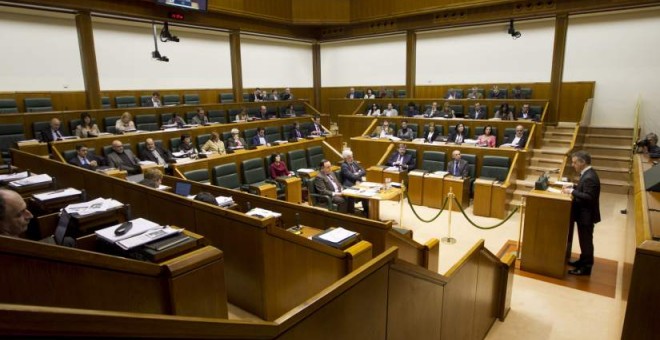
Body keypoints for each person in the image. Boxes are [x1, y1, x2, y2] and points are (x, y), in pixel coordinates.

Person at [562, 150, 601, 276]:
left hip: (587, 215)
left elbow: (589, 197)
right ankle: (582, 261)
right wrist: (573, 187)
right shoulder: (587, 174)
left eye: (574, 162)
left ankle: (586, 267)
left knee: (586, 241)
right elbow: (583, 189)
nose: (573, 165)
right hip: (583, 214)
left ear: (582, 162)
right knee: (583, 240)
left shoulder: (590, 177)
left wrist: (571, 192)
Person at [340, 149, 369, 217]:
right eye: (349, 157)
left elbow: (364, 171)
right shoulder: (344, 166)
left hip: (358, 182)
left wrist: (357, 174)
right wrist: (358, 174)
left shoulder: (354, 162)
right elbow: (352, 177)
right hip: (349, 184)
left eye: (352, 156)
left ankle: (367, 211)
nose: (351, 158)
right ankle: (351, 213)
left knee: (366, 193)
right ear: (345, 158)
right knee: (353, 195)